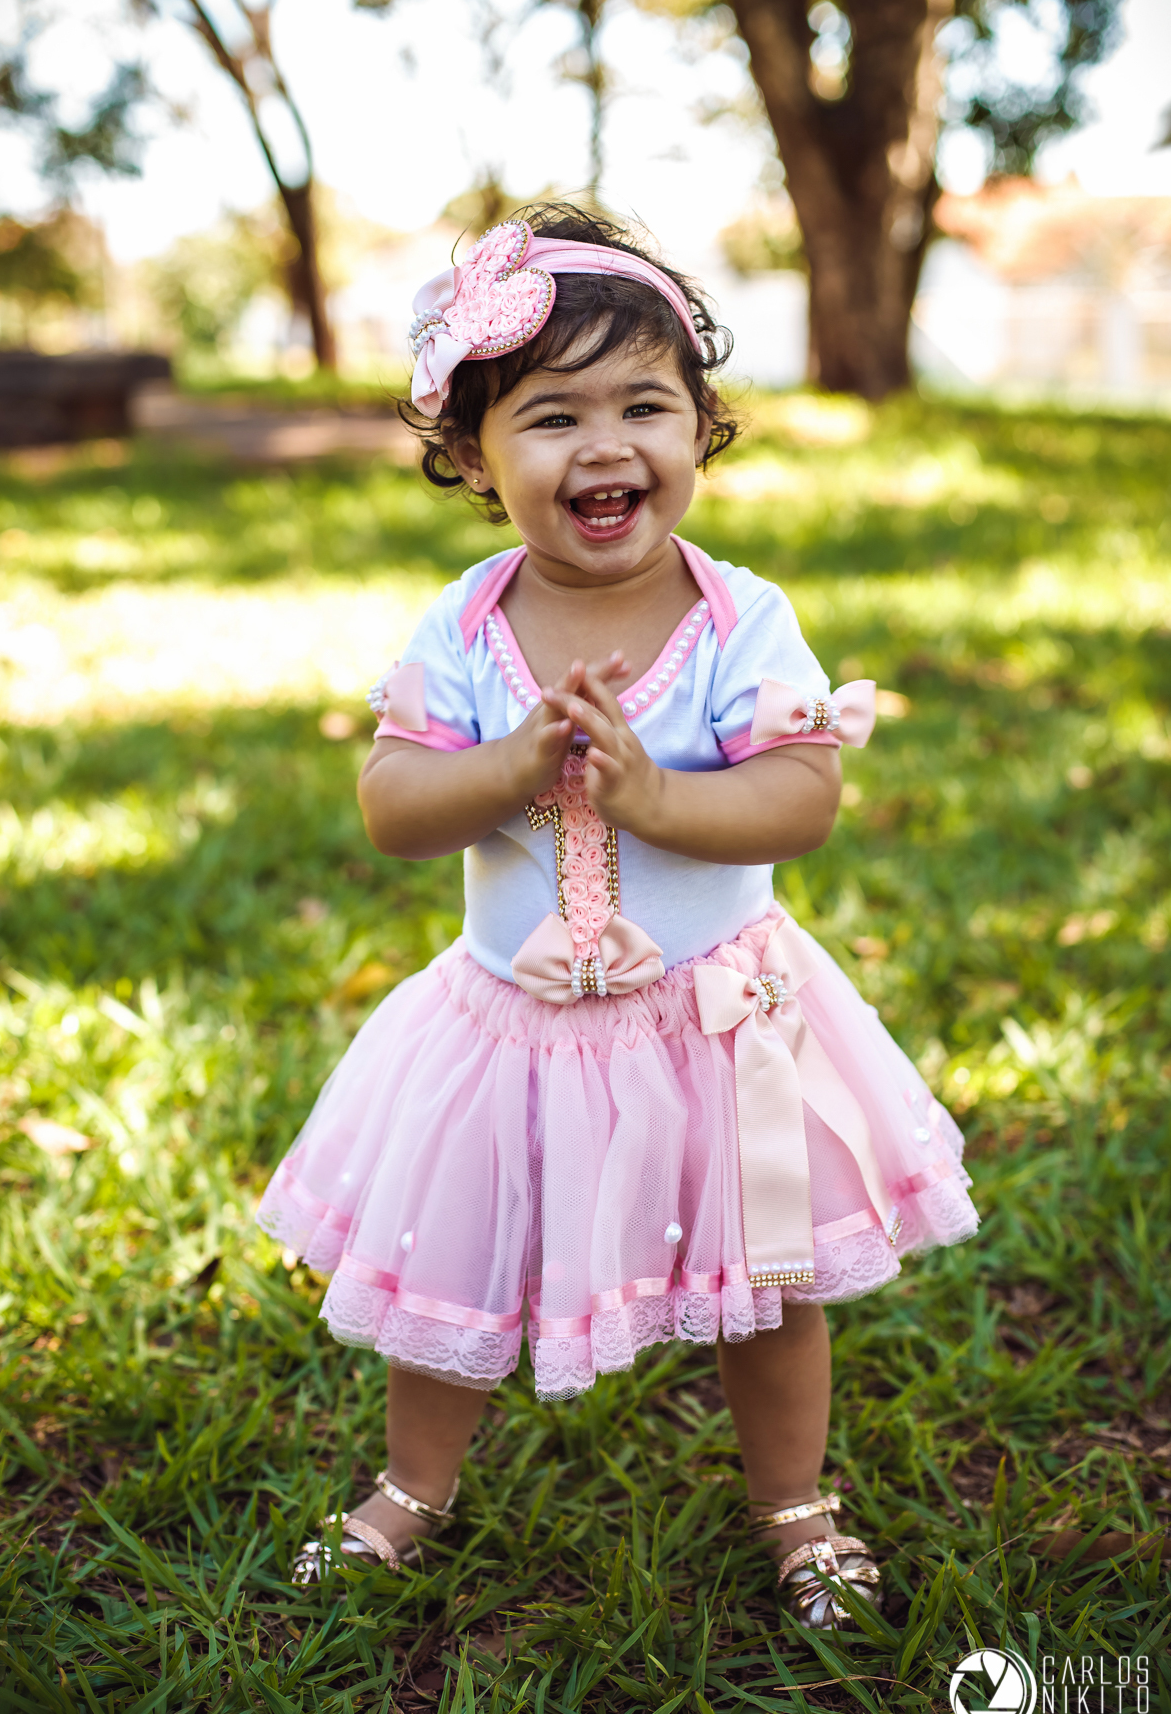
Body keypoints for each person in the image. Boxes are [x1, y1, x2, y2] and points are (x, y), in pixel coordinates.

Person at [257, 205, 980, 1629]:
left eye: (645, 403)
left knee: (767, 1281)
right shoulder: (466, 628)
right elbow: (393, 807)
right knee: (454, 1268)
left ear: (701, 427)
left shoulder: (738, 619)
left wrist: (657, 796)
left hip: (722, 1024)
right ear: (474, 455)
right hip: (506, 1028)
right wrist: (507, 767)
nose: (606, 445)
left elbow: (798, 800)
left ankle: (796, 1504)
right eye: (552, 415)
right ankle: (414, 1487)